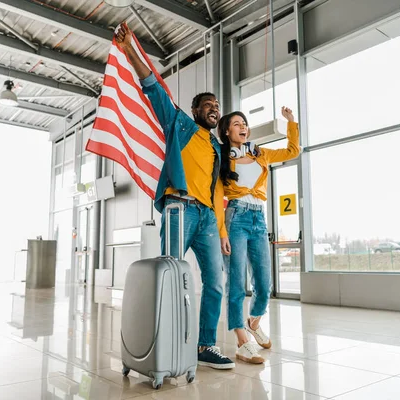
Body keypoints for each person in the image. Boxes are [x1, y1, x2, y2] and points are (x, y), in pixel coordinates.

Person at [114, 24, 235, 369]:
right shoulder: (179, 124)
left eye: (217, 106)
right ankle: (165, 340)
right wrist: (130, 52)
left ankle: (205, 345)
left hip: (208, 217)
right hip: (180, 209)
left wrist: (222, 229)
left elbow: (217, 189)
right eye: (207, 105)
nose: (214, 108)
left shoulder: (216, 146)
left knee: (215, 281)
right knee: (171, 275)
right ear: (196, 111)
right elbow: (153, 88)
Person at [218, 107, 300, 364]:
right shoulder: (222, 157)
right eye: (236, 123)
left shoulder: (260, 154)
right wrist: (222, 232)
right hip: (235, 217)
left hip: (258, 218)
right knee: (236, 284)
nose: (242, 126)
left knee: (264, 285)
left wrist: (291, 123)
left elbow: (292, 151)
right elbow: (214, 196)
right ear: (227, 131)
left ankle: (253, 321)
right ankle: (242, 342)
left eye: (244, 123)